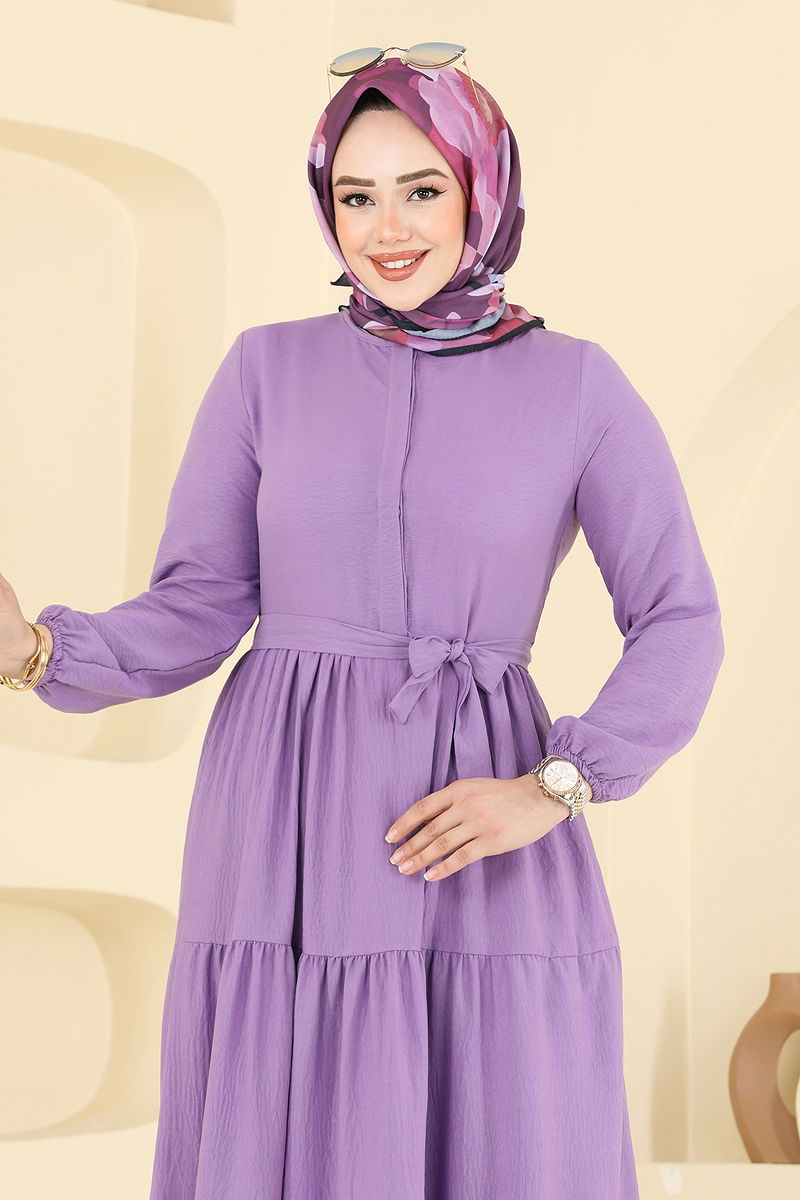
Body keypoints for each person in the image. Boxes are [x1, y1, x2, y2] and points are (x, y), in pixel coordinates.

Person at [0, 51, 724, 1200]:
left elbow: (680, 618)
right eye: (355, 195)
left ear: (481, 189)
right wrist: (37, 652)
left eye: (420, 189)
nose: (385, 229)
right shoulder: (265, 370)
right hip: (281, 825)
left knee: (503, 1127)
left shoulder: (578, 386)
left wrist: (554, 785)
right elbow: (199, 603)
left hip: (477, 828)